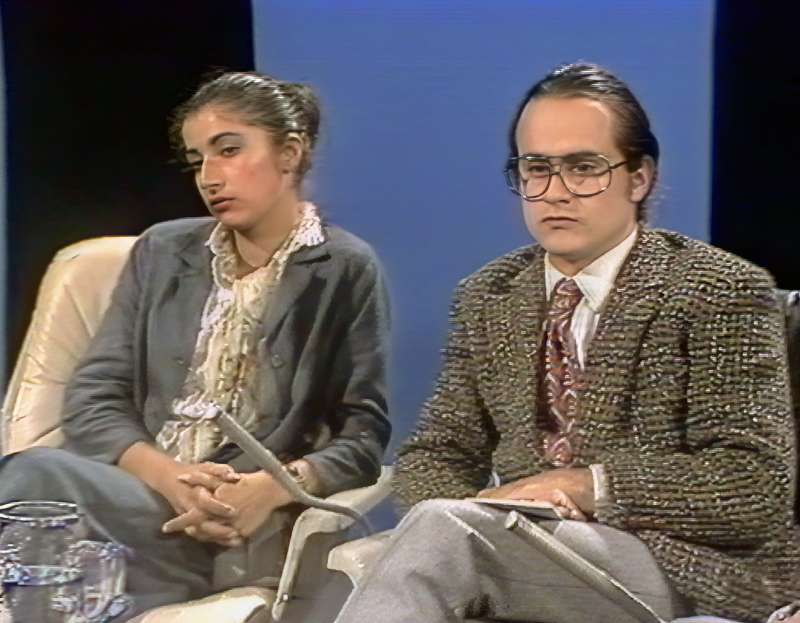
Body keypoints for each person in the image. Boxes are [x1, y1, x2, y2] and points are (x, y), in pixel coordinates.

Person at [333, 62, 797, 623]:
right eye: (536, 169)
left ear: (640, 178)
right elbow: (438, 451)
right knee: (441, 528)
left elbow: (754, 485)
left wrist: (585, 487)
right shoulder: (489, 295)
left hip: (681, 564)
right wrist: (479, 507)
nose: (555, 192)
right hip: (531, 544)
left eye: (584, 168)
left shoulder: (716, 289)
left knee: (444, 535)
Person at [0, 71, 391, 618]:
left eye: (229, 151)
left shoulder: (344, 268)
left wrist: (272, 488)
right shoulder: (162, 251)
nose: (209, 177)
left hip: (240, 525)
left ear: (290, 153)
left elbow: (362, 436)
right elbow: (94, 397)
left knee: (39, 505)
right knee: (35, 477)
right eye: (196, 160)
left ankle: (127, 584)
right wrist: (170, 477)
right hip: (138, 501)